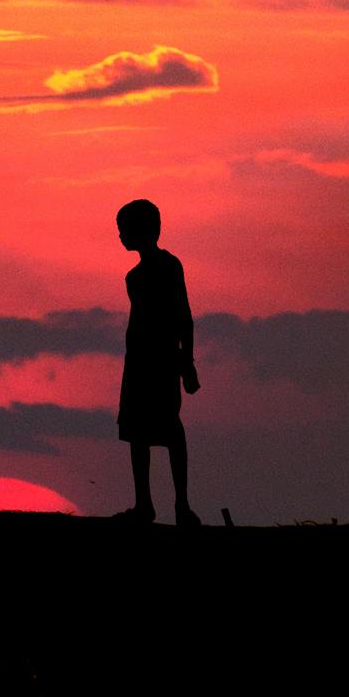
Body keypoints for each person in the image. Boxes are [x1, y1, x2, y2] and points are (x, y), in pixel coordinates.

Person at [113, 198, 200, 525]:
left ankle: (182, 505)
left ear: (142, 230)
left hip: (162, 359)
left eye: (124, 230)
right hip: (137, 360)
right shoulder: (133, 276)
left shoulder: (168, 266)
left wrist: (186, 361)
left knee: (170, 427)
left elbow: (182, 314)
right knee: (137, 431)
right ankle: (144, 505)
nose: (120, 236)